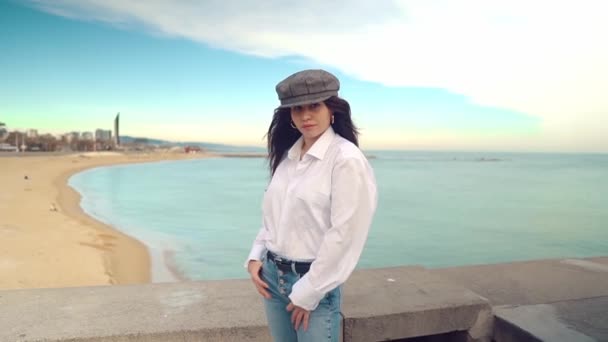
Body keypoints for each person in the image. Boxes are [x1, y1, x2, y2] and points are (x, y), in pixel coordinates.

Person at [245, 69, 377, 341]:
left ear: (332, 109)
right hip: (272, 278)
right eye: (297, 108)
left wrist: (309, 292)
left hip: (313, 283)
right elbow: (275, 215)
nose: (305, 115)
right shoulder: (289, 156)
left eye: (314, 106)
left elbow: (345, 233)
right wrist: (256, 254)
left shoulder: (345, 159)